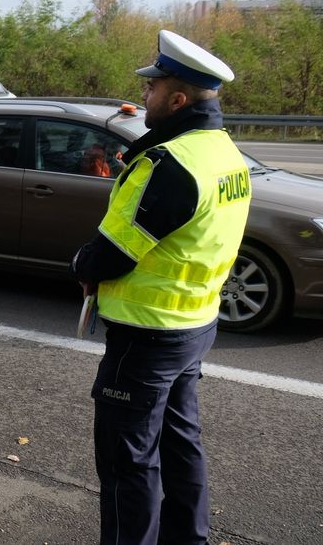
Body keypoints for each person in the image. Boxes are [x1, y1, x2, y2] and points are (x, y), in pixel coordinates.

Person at [71, 29, 251, 544]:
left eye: (152, 88)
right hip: (195, 323)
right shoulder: (224, 153)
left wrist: (79, 261)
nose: (143, 97)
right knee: (180, 445)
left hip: (146, 336)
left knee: (129, 466)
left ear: (177, 98)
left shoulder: (170, 165)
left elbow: (109, 255)